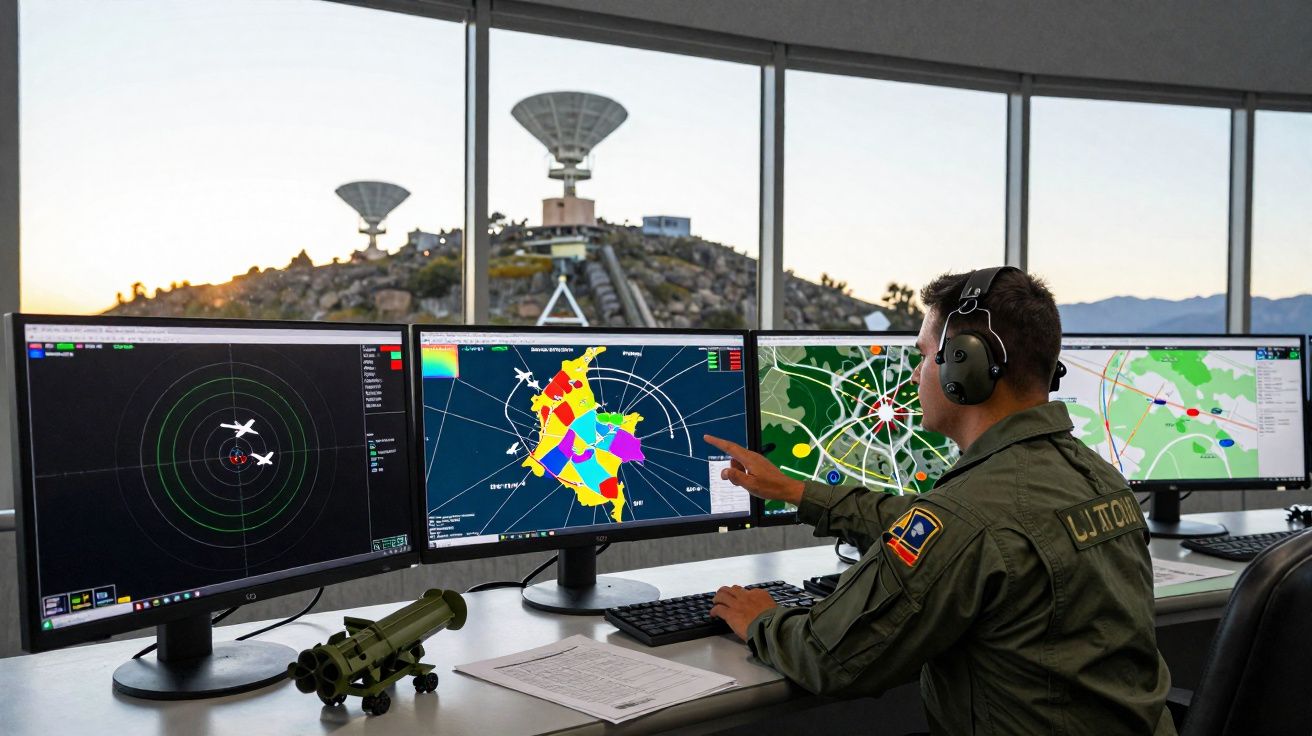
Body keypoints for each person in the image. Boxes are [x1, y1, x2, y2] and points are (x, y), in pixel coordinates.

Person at [704, 267, 1175, 735]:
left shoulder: (965, 517)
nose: (914, 374)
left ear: (964, 366)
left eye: (925, 355)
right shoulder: (1099, 478)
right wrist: (799, 493)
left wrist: (762, 619)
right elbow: (945, 531)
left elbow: (828, 657)